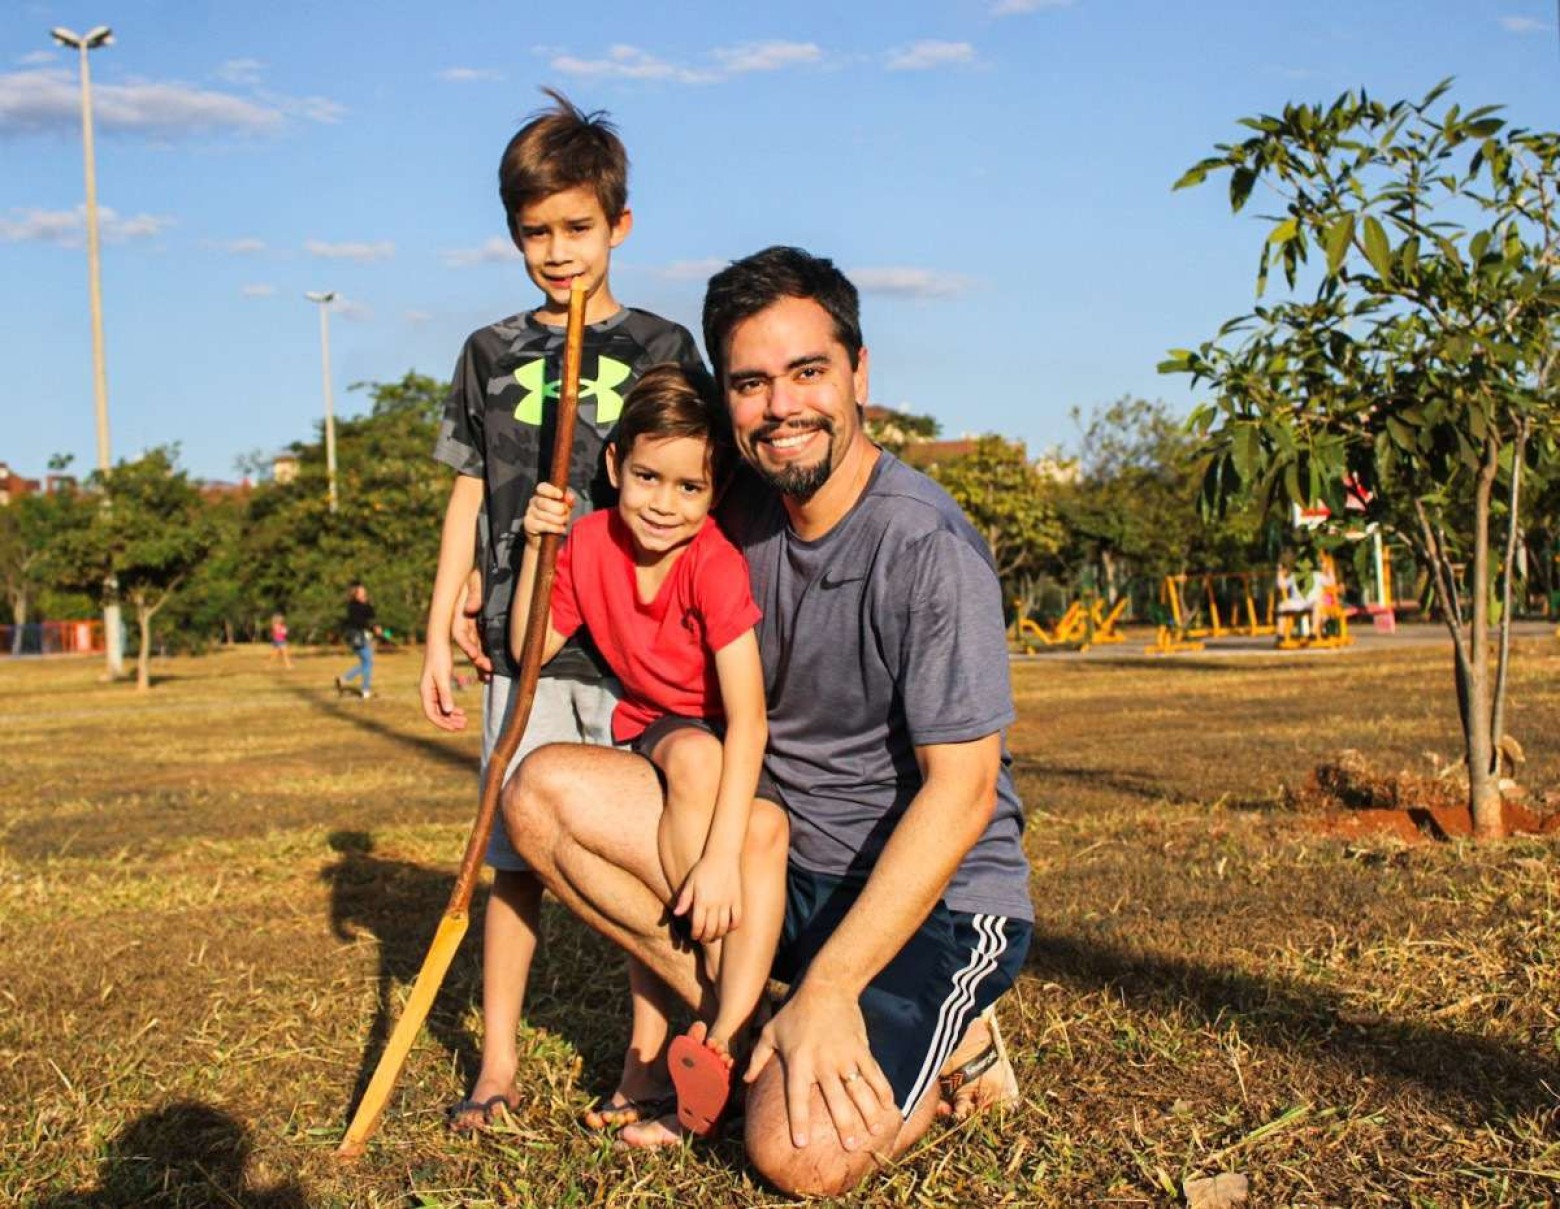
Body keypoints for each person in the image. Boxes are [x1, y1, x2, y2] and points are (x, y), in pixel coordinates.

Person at [503, 247, 1033, 1192]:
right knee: (540, 794)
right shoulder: (723, 503)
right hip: (779, 863)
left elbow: (964, 794)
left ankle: (951, 1035)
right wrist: (492, 567)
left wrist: (829, 986)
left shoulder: (927, 548)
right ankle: (735, 1017)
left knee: (795, 1152)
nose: (782, 407)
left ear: (859, 373)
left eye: (808, 372)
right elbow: (619, 504)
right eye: (751, 382)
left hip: (931, 900)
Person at [416, 89, 710, 1133]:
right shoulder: (488, 352)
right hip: (522, 645)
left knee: (647, 861)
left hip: (638, 649)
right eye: (534, 231)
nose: (556, 250)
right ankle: (495, 1066)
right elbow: (465, 489)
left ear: (618, 226)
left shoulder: (666, 342)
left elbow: (688, 482)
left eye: (577, 228)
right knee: (513, 865)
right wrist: (445, 616)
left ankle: (645, 1063)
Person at [512, 364, 782, 1140]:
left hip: (730, 738)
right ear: (613, 467)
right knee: (691, 759)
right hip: (657, 732)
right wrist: (540, 544)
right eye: (646, 477)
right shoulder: (590, 542)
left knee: (754, 825)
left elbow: (750, 719)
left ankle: (720, 1032)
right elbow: (532, 645)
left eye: (688, 488)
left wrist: (721, 856)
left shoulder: (713, 561)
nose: (664, 503)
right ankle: (722, 1007)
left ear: (714, 491)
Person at [336, 584, 378, 699]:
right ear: (355, 594)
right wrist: (373, 627)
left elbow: (371, 615)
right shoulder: (353, 607)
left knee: (366, 663)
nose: (364, 593)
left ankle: (344, 679)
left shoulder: (364, 605)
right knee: (368, 662)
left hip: (359, 636)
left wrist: (367, 604)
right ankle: (365, 690)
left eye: (365, 592)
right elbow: (360, 621)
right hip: (356, 637)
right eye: (361, 592)